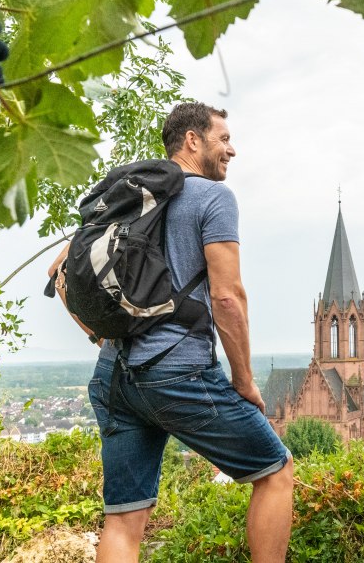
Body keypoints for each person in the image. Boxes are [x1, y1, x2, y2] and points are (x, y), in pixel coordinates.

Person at [54, 102, 294, 563]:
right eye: (223, 139)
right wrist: (243, 380)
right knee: (275, 472)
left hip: (115, 377)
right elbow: (227, 298)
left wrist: (100, 337)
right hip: (177, 375)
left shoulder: (133, 197)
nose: (232, 149)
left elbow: (60, 271)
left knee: (124, 520)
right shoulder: (213, 198)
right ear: (192, 141)